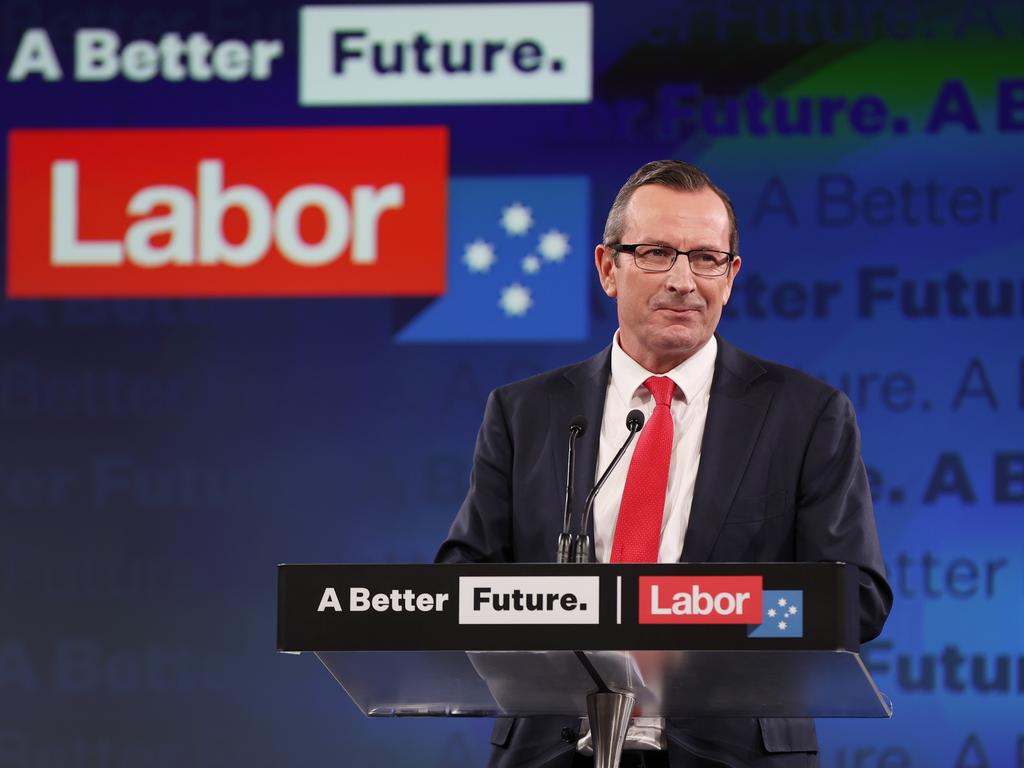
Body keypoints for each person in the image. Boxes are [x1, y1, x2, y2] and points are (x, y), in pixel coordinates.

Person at [436, 160, 892, 768]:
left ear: (730, 278)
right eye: (655, 253)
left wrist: (705, 611)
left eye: (705, 258)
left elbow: (854, 599)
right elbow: (462, 583)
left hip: (734, 752)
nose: (683, 280)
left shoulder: (806, 415)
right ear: (607, 267)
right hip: (553, 749)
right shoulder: (525, 413)